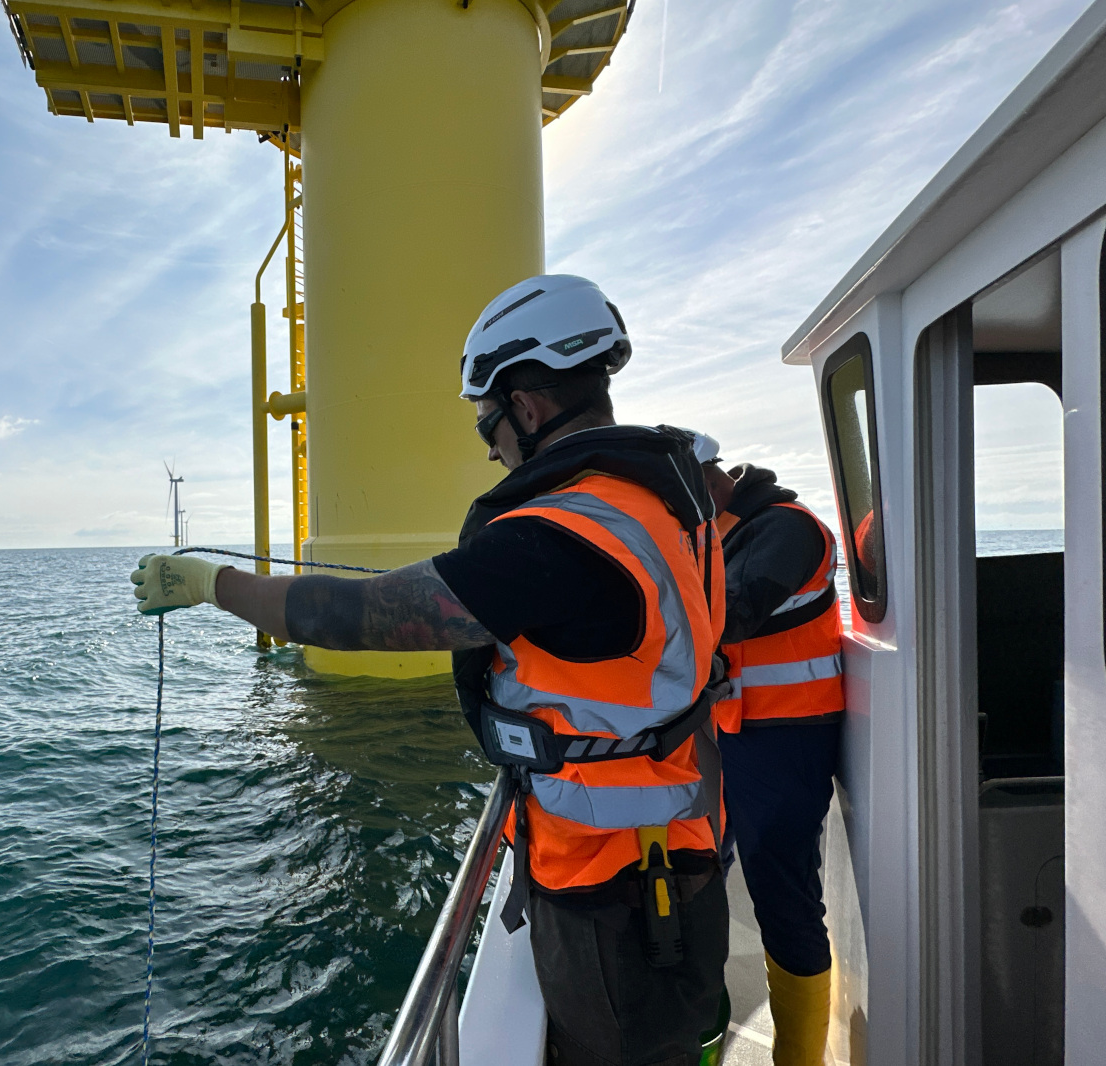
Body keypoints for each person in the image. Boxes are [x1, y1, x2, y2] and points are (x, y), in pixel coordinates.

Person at [131, 274, 731, 1066]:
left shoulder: (557, 539)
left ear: (526, 405)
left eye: (487, 419)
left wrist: (214, 585)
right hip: (679, 836)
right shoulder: (664, 496)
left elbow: (359, 618)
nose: (488, 444)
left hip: (612, 876)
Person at [696, 449, 844, 1066]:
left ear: (713, 476)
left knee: (784, 898)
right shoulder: (720, 532)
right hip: (732, 732)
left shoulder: (787, 527)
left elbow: (732, 610)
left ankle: (799, 1060)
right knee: (698, 889)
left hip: (789, 739)